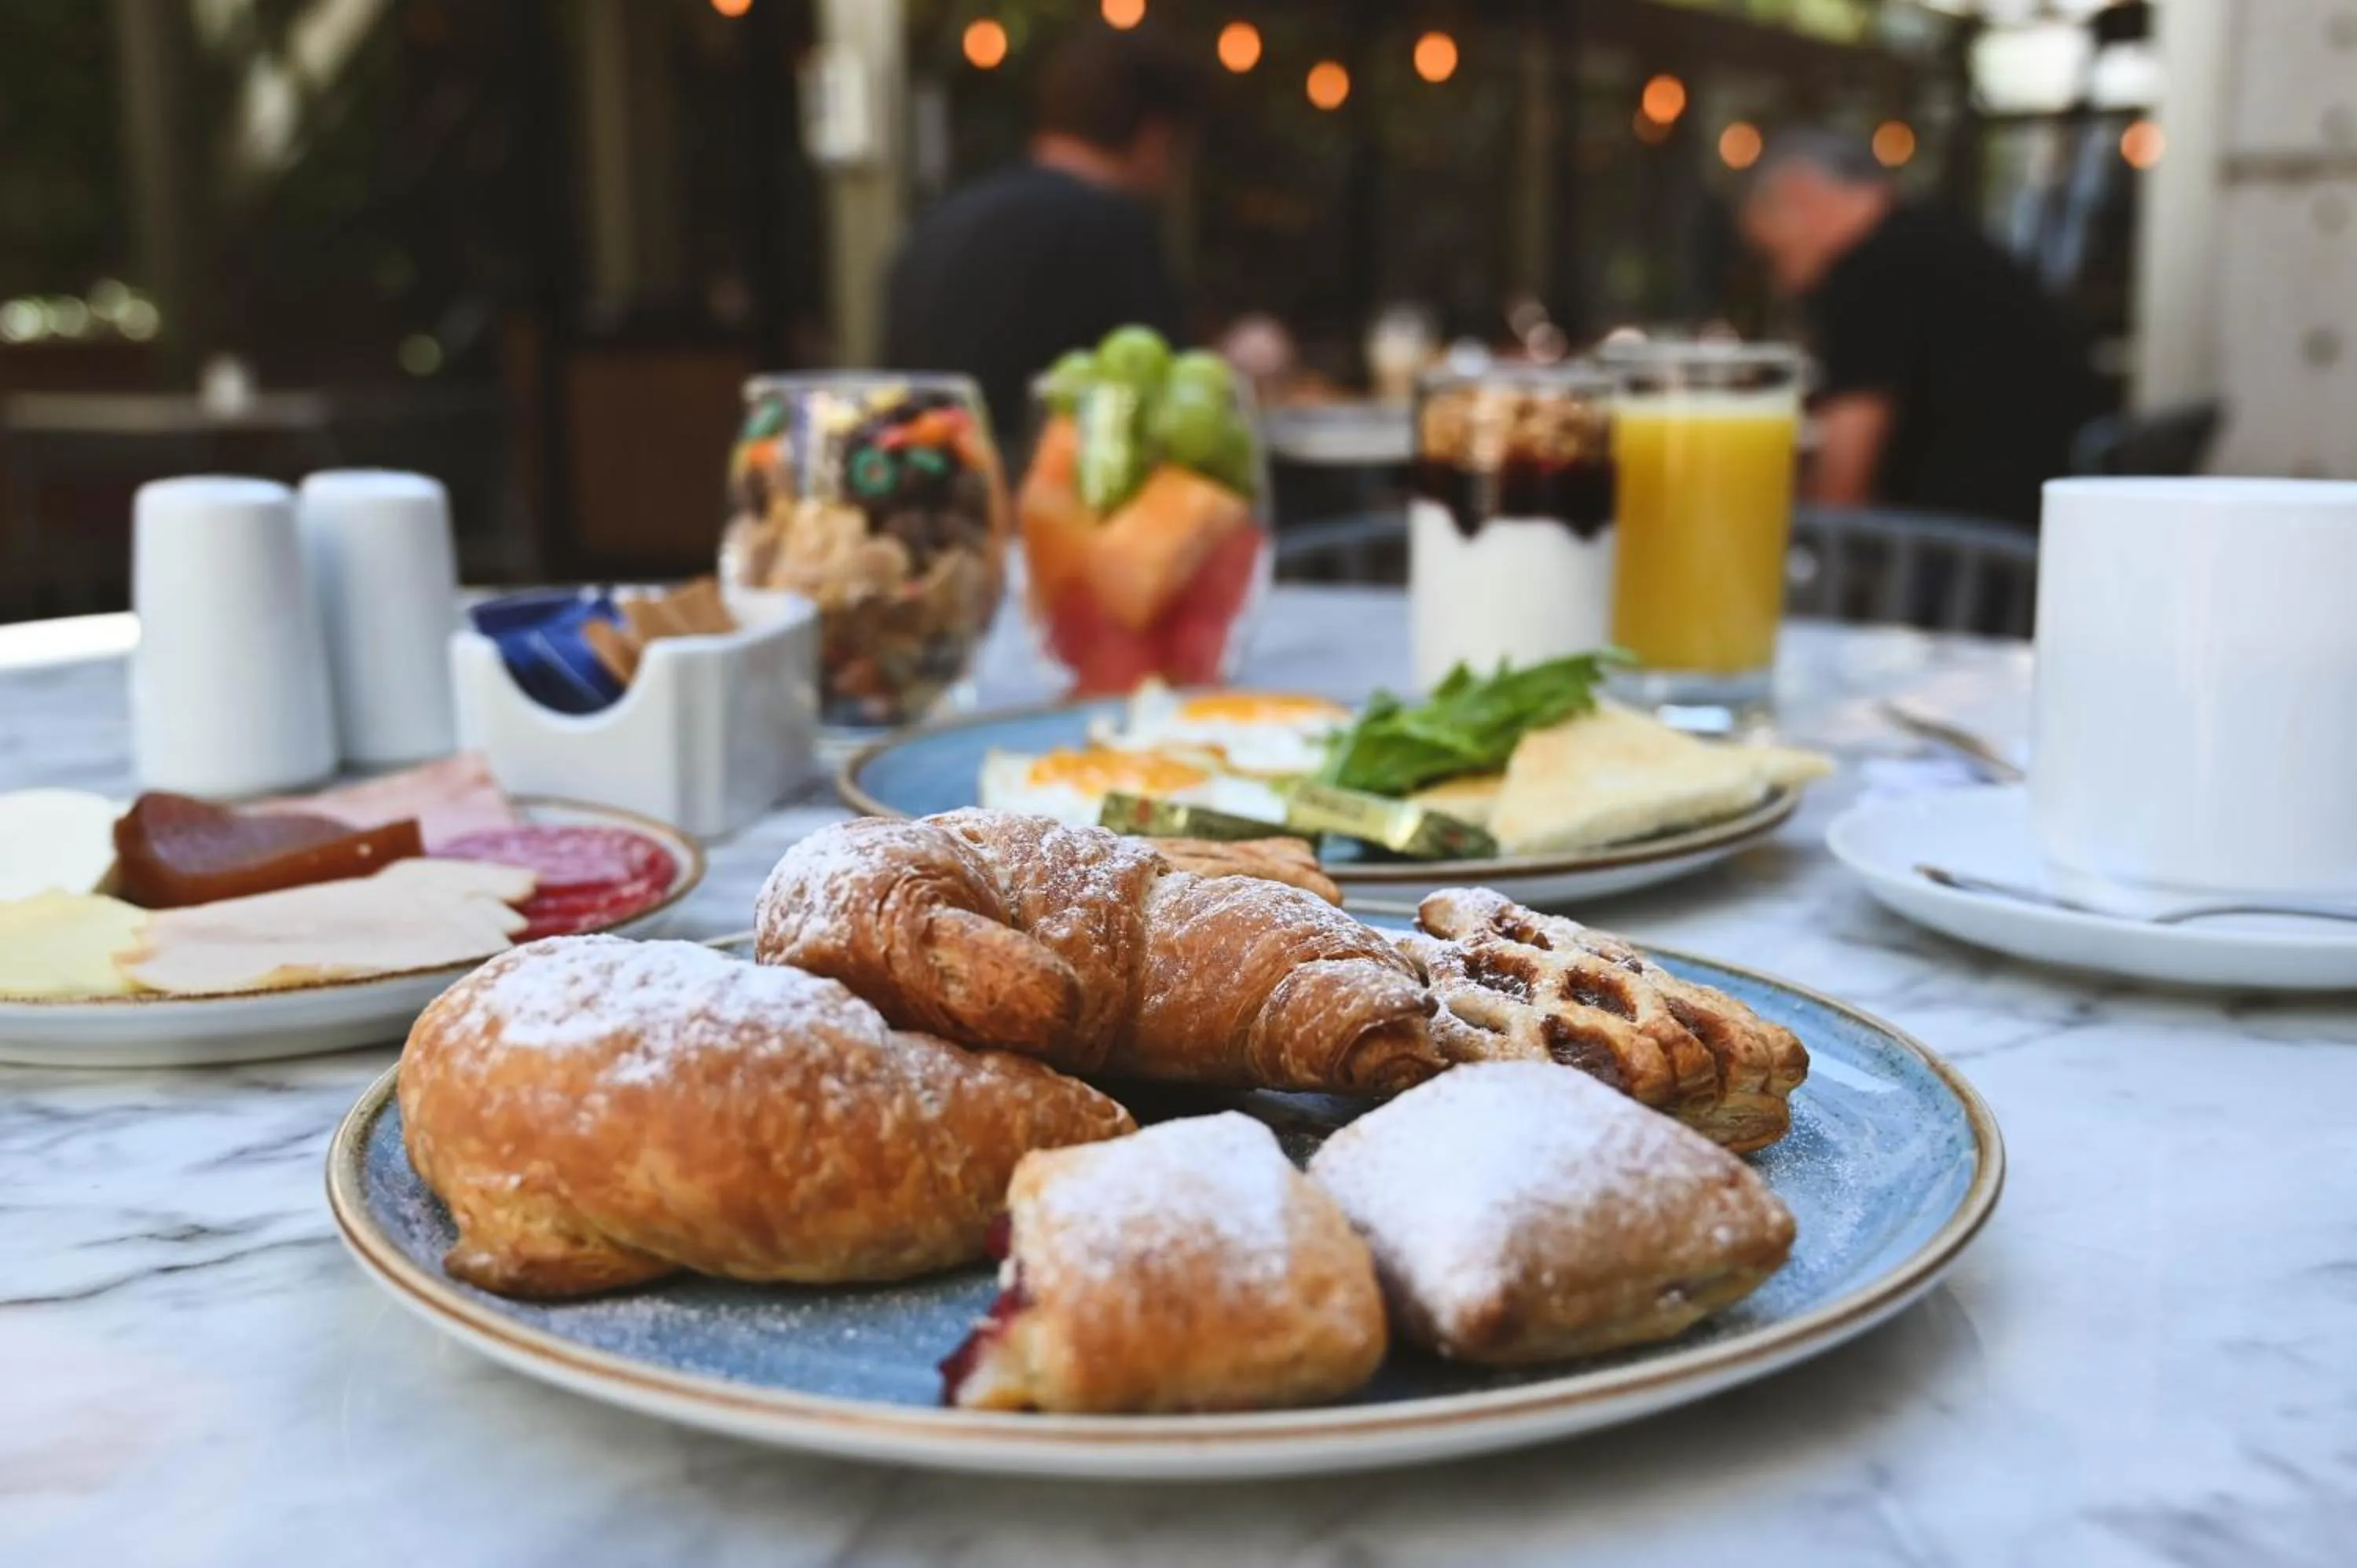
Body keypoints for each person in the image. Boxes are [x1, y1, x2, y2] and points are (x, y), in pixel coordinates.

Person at [1738, 130, 2102, 526]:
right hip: (2039, 525)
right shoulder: (1936, 238)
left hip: (1972, 545)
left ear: (1802, 196)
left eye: (1771, 257)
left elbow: (1840, 486)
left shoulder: (1872, 273)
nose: (1783, 284)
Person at [884, 27, 1201, 452]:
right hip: (1040, 500)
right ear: (1154, 138)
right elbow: (1168, 413)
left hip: (928, 488)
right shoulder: (1115, 228)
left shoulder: (947, 215)